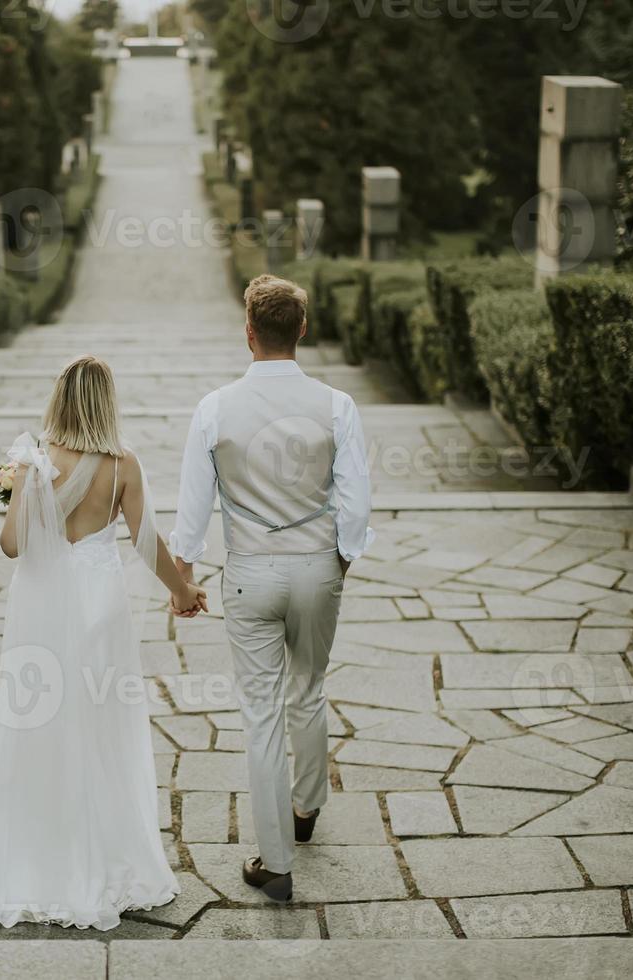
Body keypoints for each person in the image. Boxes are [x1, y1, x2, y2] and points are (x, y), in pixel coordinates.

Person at [0, 354, 205, 929]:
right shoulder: (123, 466)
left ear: (59, 400)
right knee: (101, 725)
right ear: (106, 402)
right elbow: (147, 542)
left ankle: (34, 858)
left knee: (36, 721)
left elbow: (12, 546)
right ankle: (106, 859)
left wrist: (23, 491)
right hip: (98, 605)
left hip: (42, 605)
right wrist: (184, 590)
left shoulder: (34, 461)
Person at [168, 274, 374, 901]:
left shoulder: (214, 408)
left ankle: (276, 862)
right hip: (316, 567)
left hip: (250, 573)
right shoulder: (337, 406)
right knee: (308, 688)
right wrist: (341, 559)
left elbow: (192, 510)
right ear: (302, 330)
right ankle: (307, 805)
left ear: (249, 333)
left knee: (260, 716)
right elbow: (356, 503)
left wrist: (185, 575)